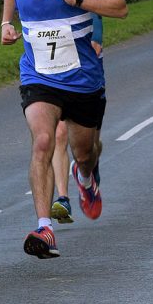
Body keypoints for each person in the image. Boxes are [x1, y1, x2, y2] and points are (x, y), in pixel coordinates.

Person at [1, 0, 127, 259]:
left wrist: (78, 0)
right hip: (38, 75)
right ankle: (45, 227)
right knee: (42, 140)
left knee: (84, 151)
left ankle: (85, 176)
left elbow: (120, 6)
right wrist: (7, 22)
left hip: (83, 79)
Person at [50, 13, 104, 223]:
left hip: (87, 69)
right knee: (59, 133)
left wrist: (97, 36)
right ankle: (63, 198)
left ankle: (85, 173)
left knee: (89, 148)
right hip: (54, 70)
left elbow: (100, 5)